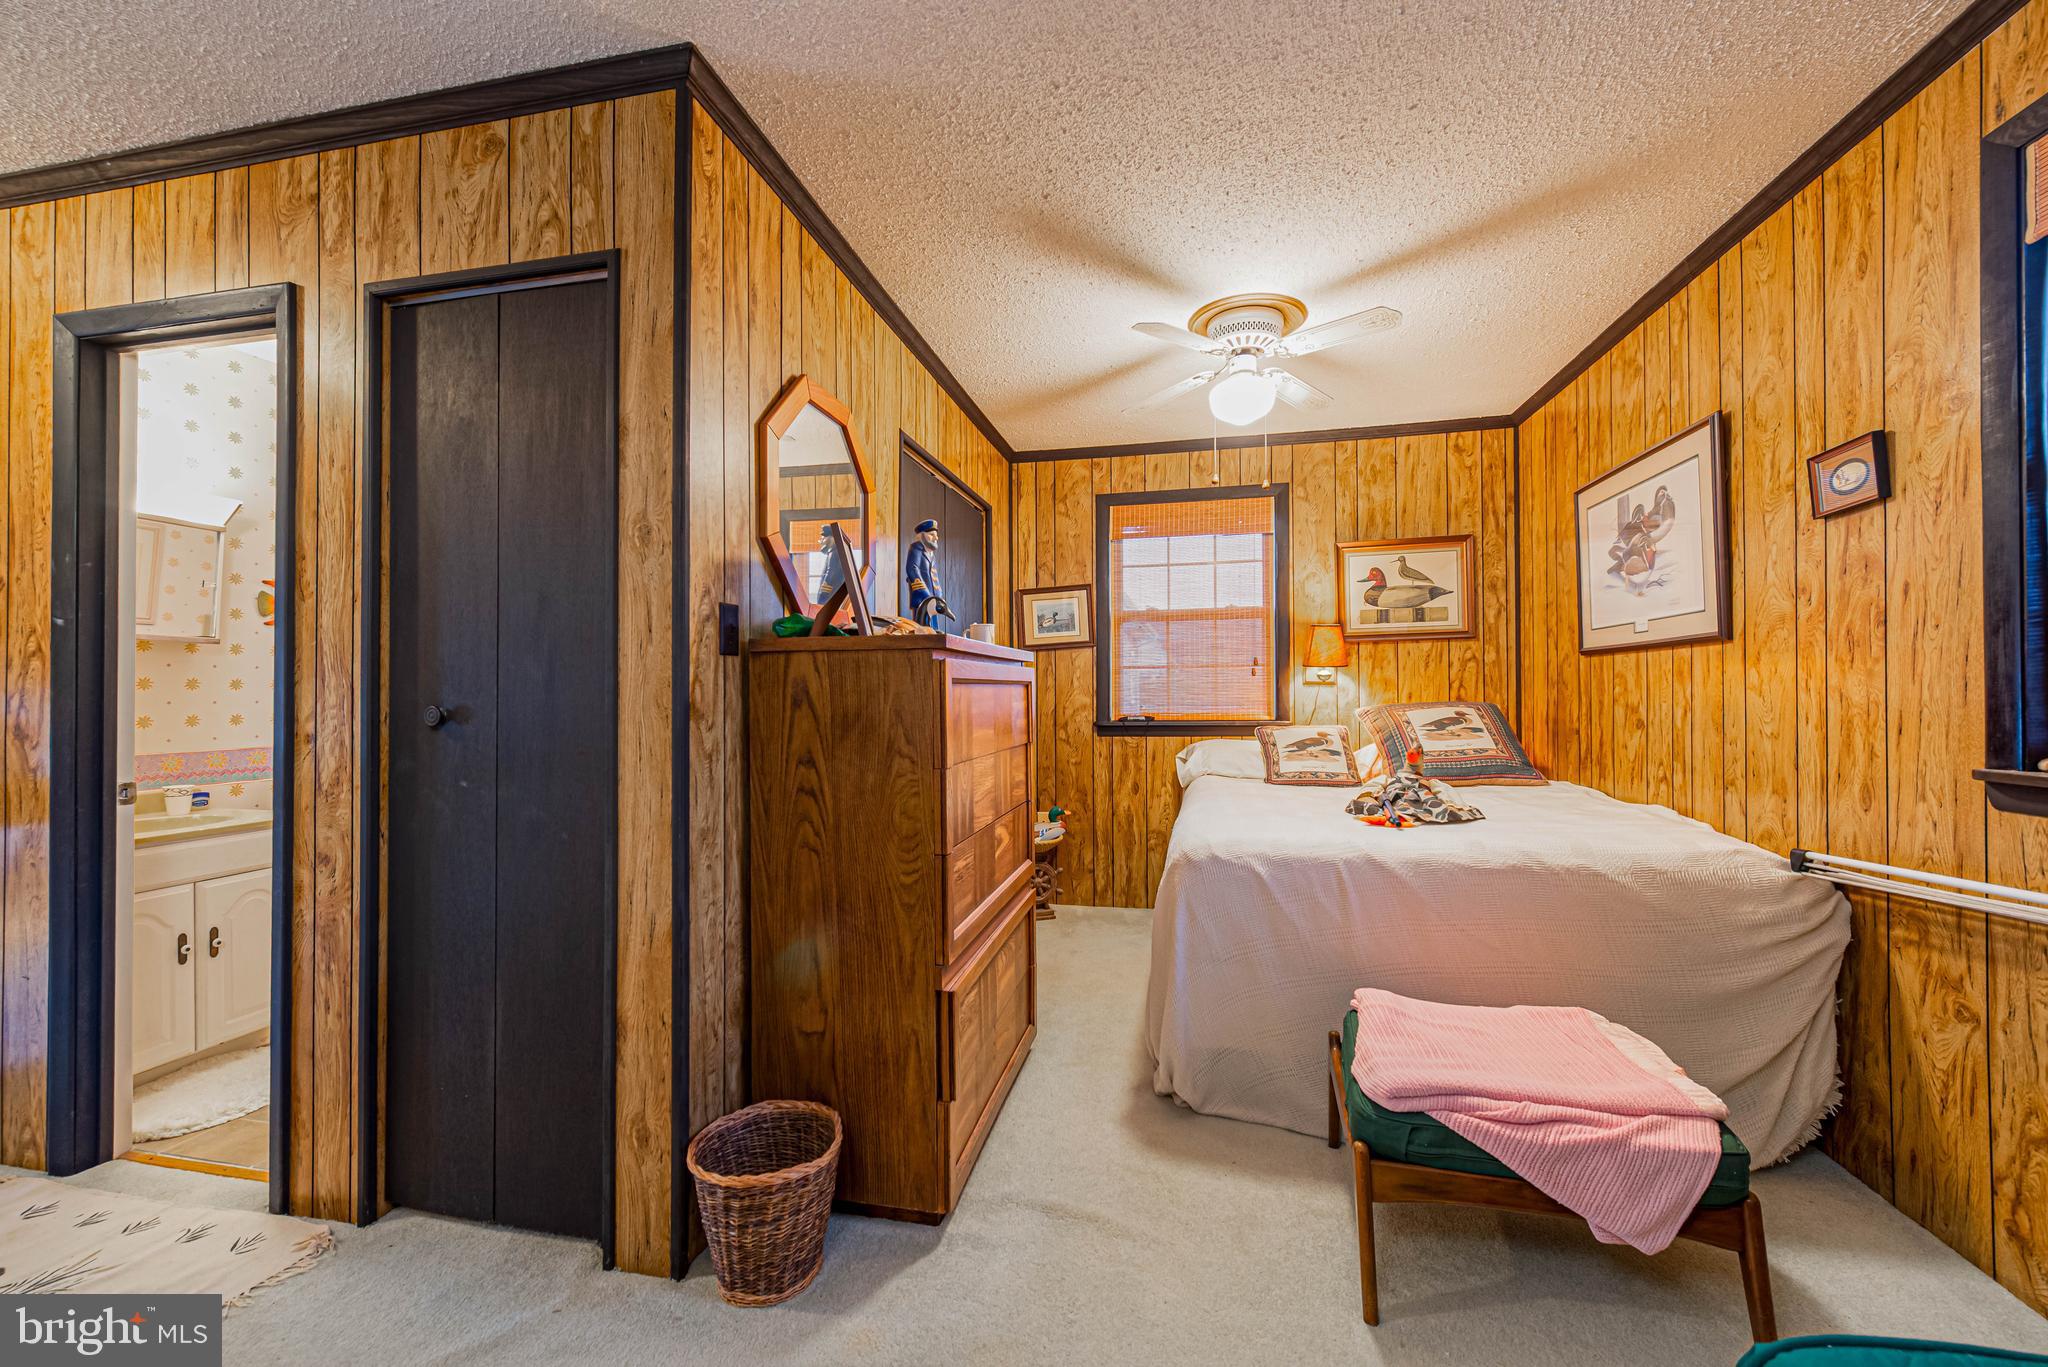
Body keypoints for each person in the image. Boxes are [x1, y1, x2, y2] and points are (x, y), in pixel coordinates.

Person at [905, 518, 953, 627]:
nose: (936, 538)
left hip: (933, 597)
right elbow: (913, 570)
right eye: (931, 534)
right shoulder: (916, 549)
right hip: (922, 596)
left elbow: (933, 575)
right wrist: (925, 592)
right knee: (922, 623)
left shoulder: (931, 555)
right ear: (922, 535)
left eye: (936, 535)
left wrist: (938, 595)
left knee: (933, 625)